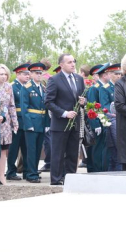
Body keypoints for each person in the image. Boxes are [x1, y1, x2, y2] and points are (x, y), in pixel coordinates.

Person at [44, 53, 86, 185]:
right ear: (61, 65)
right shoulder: (54, 79)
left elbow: (83, 98)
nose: (73, 64)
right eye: (69, 62)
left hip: (75, 123)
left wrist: (84, 102)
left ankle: (70, 179)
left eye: (74, 61)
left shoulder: (79, 79)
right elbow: (48, 102)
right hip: (60, 123)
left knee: (73, 153)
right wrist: (64, 113)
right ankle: (56, 180)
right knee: (58, 154)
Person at [22, 63, 49, 183]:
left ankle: (34, 171)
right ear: (31, 74)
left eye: (40, 73)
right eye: (36, 73)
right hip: (32, 123)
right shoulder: (27, 87)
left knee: (38, 150)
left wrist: (47, 124)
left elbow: (46, 108)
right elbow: (24, 108)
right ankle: (31, 174)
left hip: (41, 122)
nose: (39, 75)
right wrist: (28, 124)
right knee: (31, 150)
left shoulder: (43, 88)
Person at [0, 64, 18, 185]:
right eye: (1, 74)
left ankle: (2, 176)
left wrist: (15, 122)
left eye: (5, 74)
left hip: (6, 122)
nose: (3, 76)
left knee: (3, 150)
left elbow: (12, 105)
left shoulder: (9, 86)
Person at [6, 63, 30, 181]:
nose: (27, 76)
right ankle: (11, 171)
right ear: (17, 74)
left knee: (26, 148)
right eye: (25, 74)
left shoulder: (28, 86)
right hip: (15, 121)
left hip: (26, 121)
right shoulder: (12, 87)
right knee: (13, 149)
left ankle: (27, 171)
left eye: (28, 74)